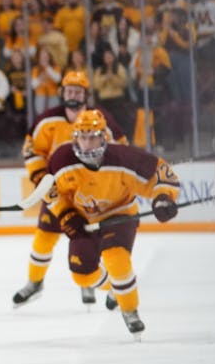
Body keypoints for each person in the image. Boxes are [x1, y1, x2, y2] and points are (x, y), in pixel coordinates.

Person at [45, 109, 180, 337]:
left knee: (116, 258)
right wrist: (66, 215)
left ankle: (130, 311)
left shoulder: (124, 158)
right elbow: (51, 194)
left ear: (103, 137)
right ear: (75, 137)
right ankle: (116, 290)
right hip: (85, 219)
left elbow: (162, 174)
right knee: (82, 273)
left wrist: (163, 197)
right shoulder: (60, 160)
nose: (87, 143)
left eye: (93, 137)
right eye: (82, 137)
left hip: (119, 214)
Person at [13, 71, 126, 308]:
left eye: (77, 91)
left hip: (92, 194)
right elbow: (32, 151)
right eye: (69, 91)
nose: (73, 95)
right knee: (43, 238)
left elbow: (121, 148)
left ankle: (103, 284)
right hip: (59, 193)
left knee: (92, 243)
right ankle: (35, 283)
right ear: (62, 93)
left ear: (86, 94)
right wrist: (43, 179)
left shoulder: (101, 118)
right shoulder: (47, 120)